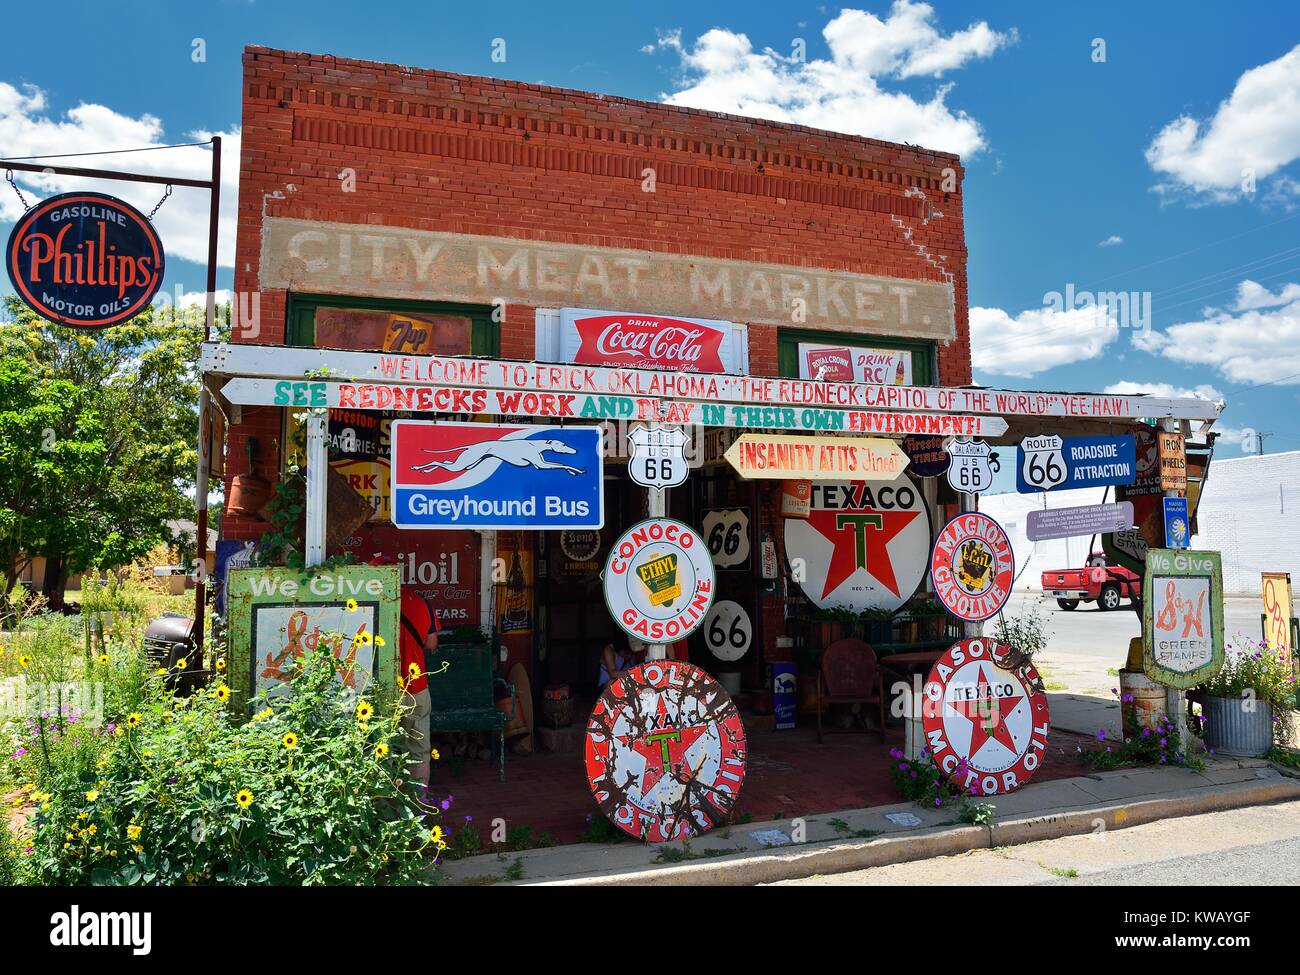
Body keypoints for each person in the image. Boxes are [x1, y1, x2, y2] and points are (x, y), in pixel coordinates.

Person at [399, 586, 440, 792]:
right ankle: (418, 807)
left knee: (383, 751)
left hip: (382, 689)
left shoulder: (365, 598)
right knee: (420, 752)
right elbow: (432, 643)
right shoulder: (420, 601)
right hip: (416, 686)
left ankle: (386, 810)